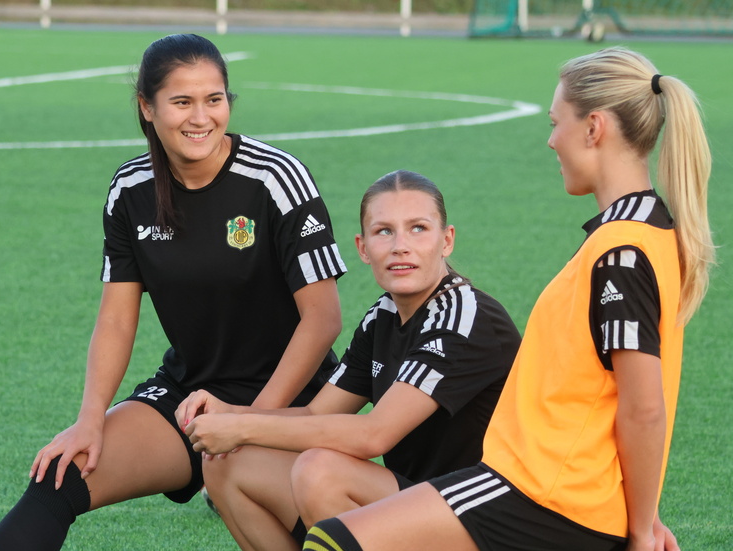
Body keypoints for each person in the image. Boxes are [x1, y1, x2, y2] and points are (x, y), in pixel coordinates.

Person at [303, 46, 714, 551]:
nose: (550, 140)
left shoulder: (621, 251)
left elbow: (644, 408)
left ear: (594, 129)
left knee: (335, 543)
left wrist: (641, 526)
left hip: (547, 496)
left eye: (556, 122)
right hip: (539, 488)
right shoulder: (640, 234)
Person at [0, 33, 347, 550]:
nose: (201, 117)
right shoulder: (130, 192)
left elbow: (323, 319)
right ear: (146, 108)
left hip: (292, 399)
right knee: (61, 475)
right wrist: (89, 420)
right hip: (188, 395)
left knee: (320, 535)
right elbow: (116, 319)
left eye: (214, 100)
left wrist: (250, 421)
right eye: (182, 102)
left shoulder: (275, 178)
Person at [176, 170, 522, 551]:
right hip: (420, 502)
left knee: (321, 473)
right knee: (226, 463)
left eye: (418, 228)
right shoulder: (385, 314)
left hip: (485, 519)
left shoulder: (463, 316)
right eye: (384, 231)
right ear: (362, 247)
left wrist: (244, 428)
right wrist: (232, 415)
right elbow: (314, 415)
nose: (400, 246)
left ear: (447, 240)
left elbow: (374, 434)